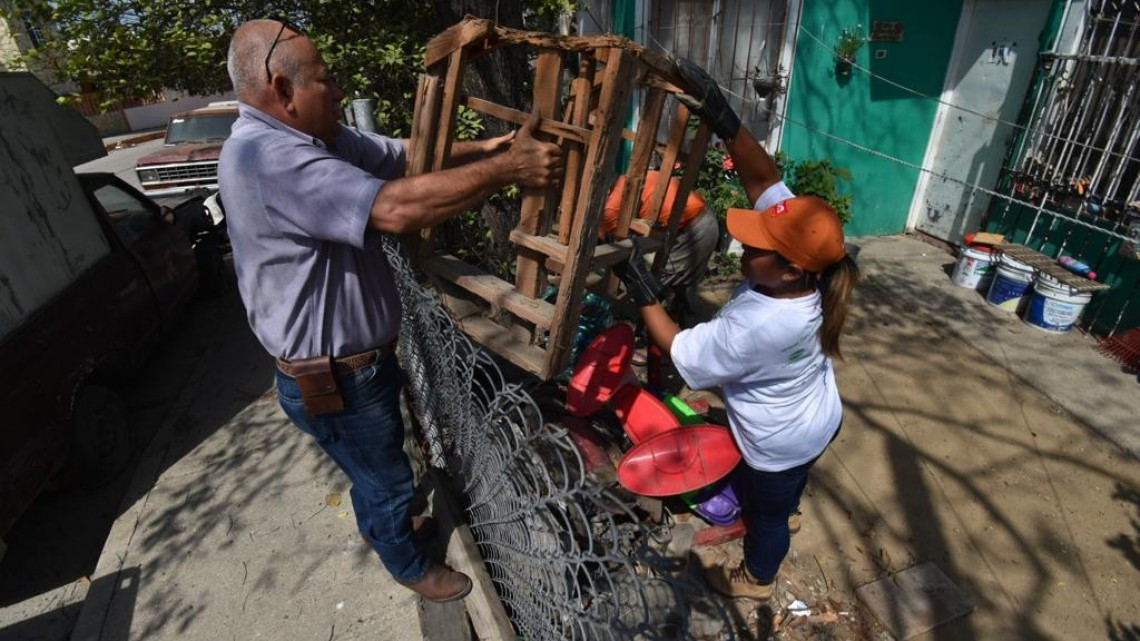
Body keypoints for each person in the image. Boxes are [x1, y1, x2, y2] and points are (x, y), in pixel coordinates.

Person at [217, 19, 563, 603]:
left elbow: (406, 155)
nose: (337, 91)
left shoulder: (315, 138)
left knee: (375, 469)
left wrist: (490, 148)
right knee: (385, 478)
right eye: (325, 81)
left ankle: (389, 524)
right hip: (334, 378)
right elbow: (395, 209)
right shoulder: (267, 158)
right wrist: (509, 171)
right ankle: (406, 561)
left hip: (354, 368)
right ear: (282, 90)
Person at [614, 59, 859, 602]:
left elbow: (679, 349)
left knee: (766, 518)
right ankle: (785, 509)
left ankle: (758, 580)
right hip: (819, 418)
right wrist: (726, 121)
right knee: (784, 494)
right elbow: (765, 179)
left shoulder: (759, 327)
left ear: (792, 267)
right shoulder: (815, 270)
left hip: (779, 441)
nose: (741, 248)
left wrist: (643, 290)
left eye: (754, 249)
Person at [602, 170, 719, 321]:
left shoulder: (612, 205)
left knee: (659, 281)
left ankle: (661, 324)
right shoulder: (638, 175)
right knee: (675, 277)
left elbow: (610, 240)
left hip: (697, 227)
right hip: (701, 219)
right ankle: (676, 311)